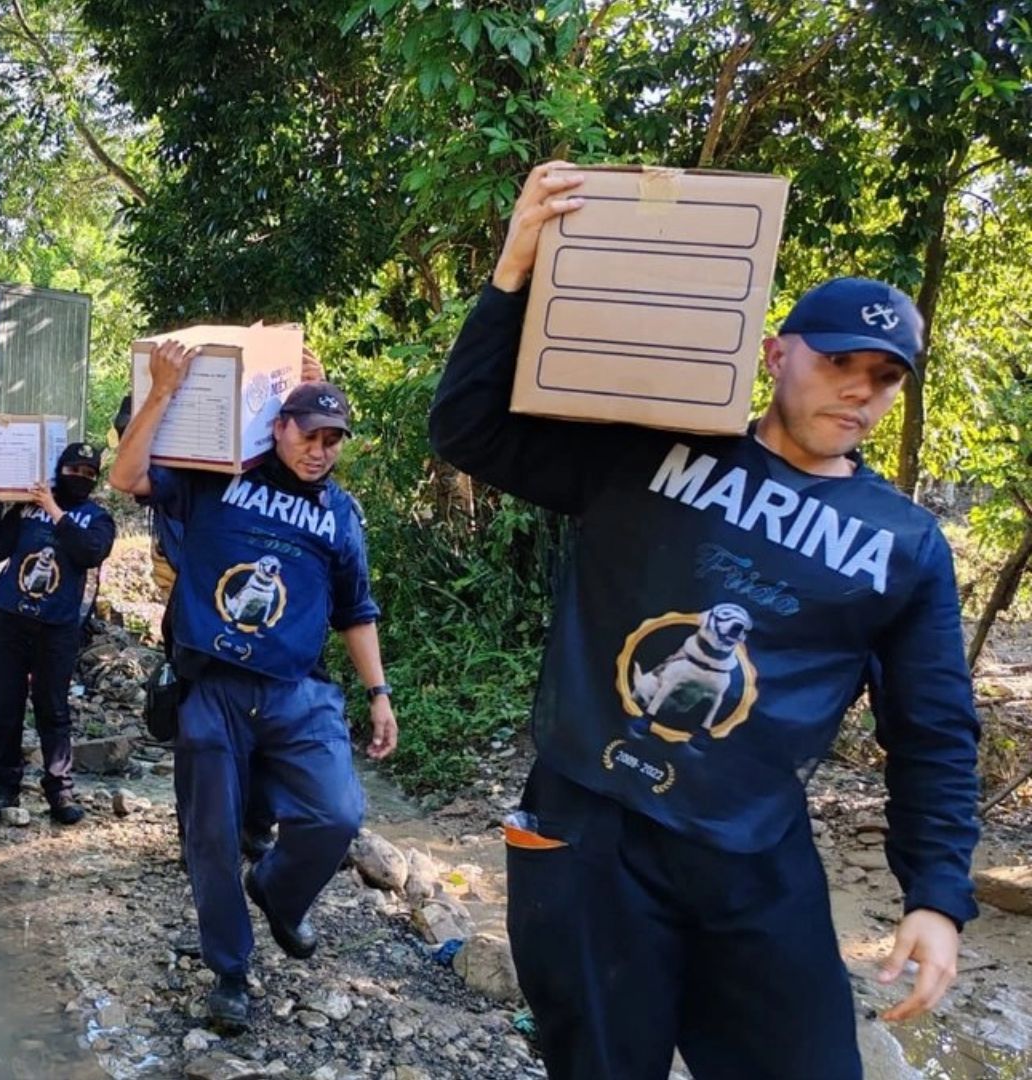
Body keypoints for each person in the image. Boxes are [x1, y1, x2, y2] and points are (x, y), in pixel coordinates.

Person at [428, 161, 981, 1080]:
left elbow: (934, 731)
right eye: (838, 361)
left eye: (884, 377)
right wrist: (512, 276)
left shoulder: (905, 544)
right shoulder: (652, 448)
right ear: (774, 353)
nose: (859, 390)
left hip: (755, 857)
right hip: (590, 828)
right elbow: (469, 432)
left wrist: (937, 894)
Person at [111, 358, 397, 1035]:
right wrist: (161, 392)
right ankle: (231, 971)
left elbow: (356, 610)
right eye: (311, 435)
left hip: (298, 692)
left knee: (335, 814)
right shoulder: (217, 482)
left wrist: (379, 694)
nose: (321, 452)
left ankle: (274, 888)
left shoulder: (339, 514)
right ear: (279, 428)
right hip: (212, 686)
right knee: (210, 837)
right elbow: (125, 477)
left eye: (334, 441)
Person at [0, 443, 118, 825]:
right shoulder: (26, 506)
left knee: (53, 711)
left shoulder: (98, 519)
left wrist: (54, 511)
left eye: (89, 474)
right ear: (60, 469)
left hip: (57, 629)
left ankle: (60, 792)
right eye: (74, 470)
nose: (81, 478)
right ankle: (5, 786)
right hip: (7, 621)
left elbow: (89, 553)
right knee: (6, 709)